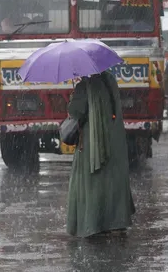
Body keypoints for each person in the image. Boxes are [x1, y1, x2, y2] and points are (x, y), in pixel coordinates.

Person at [66, 71, 136, 237]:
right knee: (113, 180)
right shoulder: (110, 80)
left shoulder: (85, 86)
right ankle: (116, 222)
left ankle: (93, 223)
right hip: (114, 140)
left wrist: (73, 97)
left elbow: (76, 113)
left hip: (92, 142)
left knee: (91, 182)